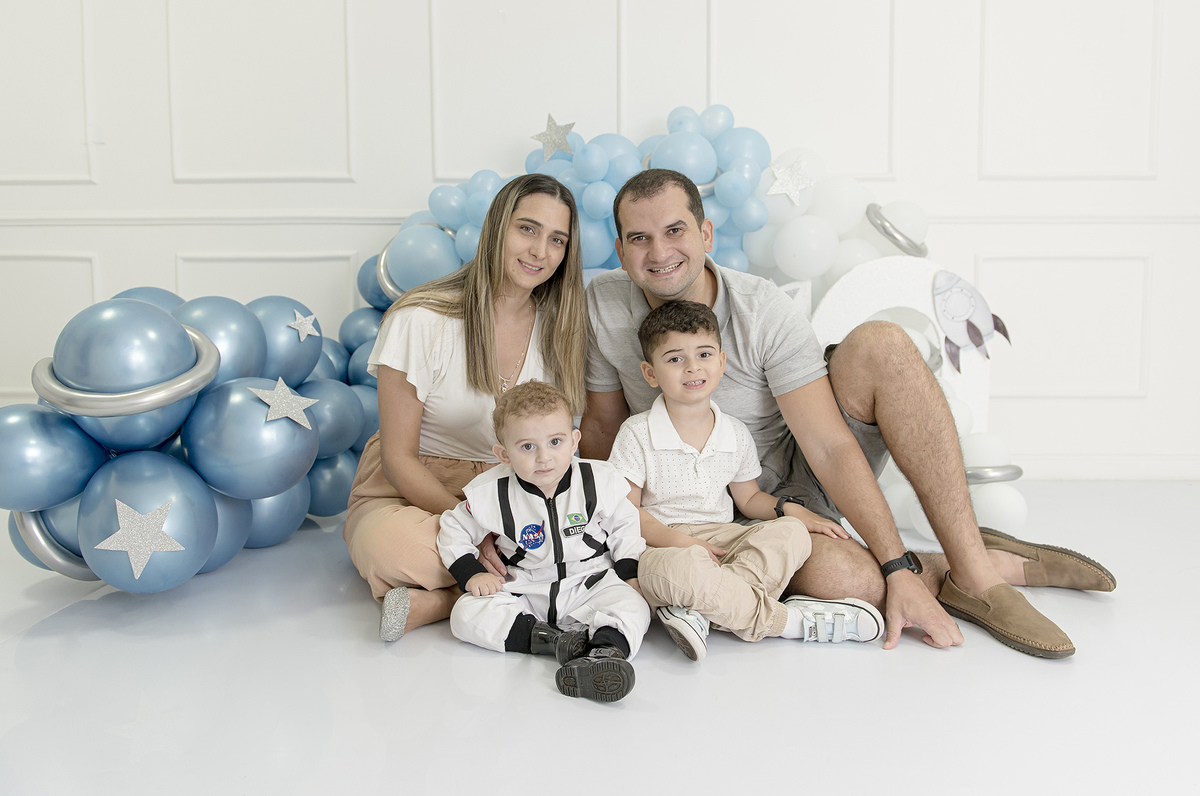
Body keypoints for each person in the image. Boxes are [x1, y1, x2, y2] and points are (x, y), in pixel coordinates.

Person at [581, 168, 1116, 659]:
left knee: (883, 345)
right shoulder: (603, 304)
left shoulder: (762, 310)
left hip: (791, 480)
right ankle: (954, 563)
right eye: (639, 238)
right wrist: (606, 537)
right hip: (707, 513)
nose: (659, 252)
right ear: (621, 250)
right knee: (852, 584)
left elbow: (830, 446)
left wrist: (893, 563)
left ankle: (975, 571)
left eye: (675, 230)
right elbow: (605, 429)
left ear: (706, 234)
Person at [343, 173, 588, 644]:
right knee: (396, 549)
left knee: (569, 546)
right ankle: (509, 592)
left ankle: (442, 602)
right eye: (527, 229)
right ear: (497, 227)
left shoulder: (561, 328)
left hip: (515, 491)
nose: (540, 251)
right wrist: (477, 529)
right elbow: (398, 459)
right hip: (415, 490)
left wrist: (512, 523)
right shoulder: (420, 317)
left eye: (557, 240)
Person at [606, 300, 884, 661]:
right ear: (650, 373)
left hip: (724, 538)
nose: (692, 367)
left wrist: (792, 511)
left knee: (793, 534)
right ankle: (791, 623)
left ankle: (702, 610)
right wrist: (681, 542)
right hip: (663, 543)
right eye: (674, 359)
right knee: (673, 571)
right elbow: (626, 513)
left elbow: (749, 499)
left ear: (721, 363)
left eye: (704, 354)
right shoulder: (636, 432)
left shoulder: (735, 433)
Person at [438, 381, 649, 702]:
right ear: (504, 454)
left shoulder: (599, 480)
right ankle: (555, 642)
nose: (544, 457)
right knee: (465, 614)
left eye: (555, 442)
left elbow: (625, 526)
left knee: (633, 606)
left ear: (574, 441)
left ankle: (604, 654)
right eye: (527, 447)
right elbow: (453, 528)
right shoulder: (490, 492)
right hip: (525, 588)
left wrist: (628, 572)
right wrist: (472, 574)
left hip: (589, 583)